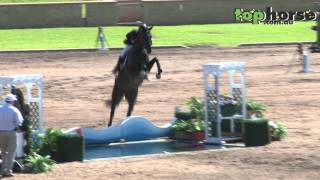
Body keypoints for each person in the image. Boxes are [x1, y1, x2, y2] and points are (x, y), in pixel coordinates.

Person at [0, 94, 24, 177]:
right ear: (13, 101)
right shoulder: (14, 110)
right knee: (11, 152)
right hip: (11, 132)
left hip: (0, 133)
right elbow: (19, 122)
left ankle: (3, 170)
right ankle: (8, 171)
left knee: (3, 152)